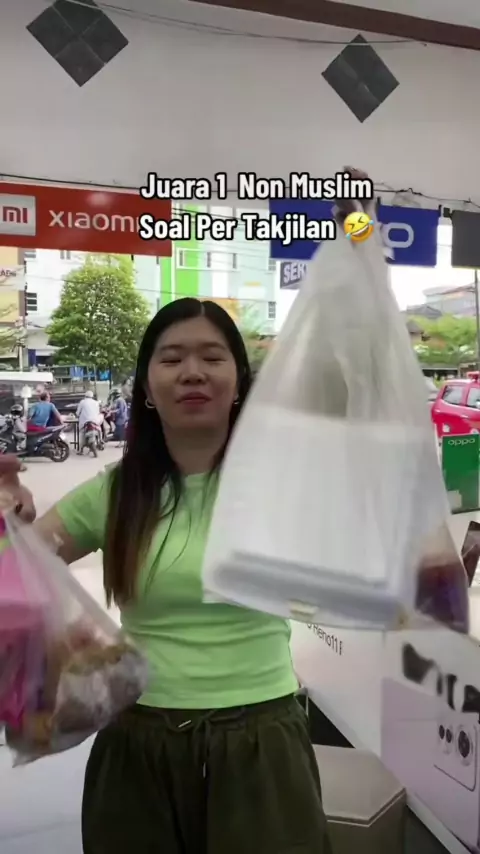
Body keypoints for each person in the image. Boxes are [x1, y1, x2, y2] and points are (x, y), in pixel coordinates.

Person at [7, 298, 332, 854]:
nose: (193, 372)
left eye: (212, 357)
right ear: (147, 388)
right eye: (172, 358)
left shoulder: (288, 482)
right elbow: (13, 577)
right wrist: (8, 522)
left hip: (262, 741)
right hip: (138, 743)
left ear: (238, 381)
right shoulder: (116, 492)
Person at [76, 391, 102, 455]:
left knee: (82, 434)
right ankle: (100, 441)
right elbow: (98, 412)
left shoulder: (82, 402)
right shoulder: (96, 403)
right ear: (92, 396)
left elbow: (77, 413)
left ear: (85, 396)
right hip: (95, 421)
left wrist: (77, 415)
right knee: (99, 431)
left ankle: (81, 450)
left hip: (85, 422)